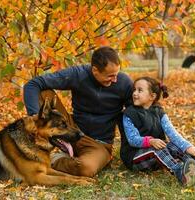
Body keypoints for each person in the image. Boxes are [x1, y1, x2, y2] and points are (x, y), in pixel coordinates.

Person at [23, 46, 133, 177]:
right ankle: (47, 146)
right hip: (71, 130)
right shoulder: (78, 74)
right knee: (43, 91)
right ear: (95, 70)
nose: (115, 80)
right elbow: (33, 84)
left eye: (117, 74)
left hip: (99, 144)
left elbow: (134, 113)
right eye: (110, 76)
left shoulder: (124, 83)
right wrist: (34, 117)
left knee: (86, 168)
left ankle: (54, 160)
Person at [120, 76, 195, 186]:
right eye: (134, 90)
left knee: (173, 145)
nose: (135, 93)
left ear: (152, 96)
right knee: (156, 148)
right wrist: (150, 141)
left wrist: (187, 147)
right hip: (135, 157)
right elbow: (132, 139)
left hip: (158, 157)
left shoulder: (158, 112)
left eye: (140, 90)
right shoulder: (129, 114)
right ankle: (179, 172)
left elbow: (172, 133)